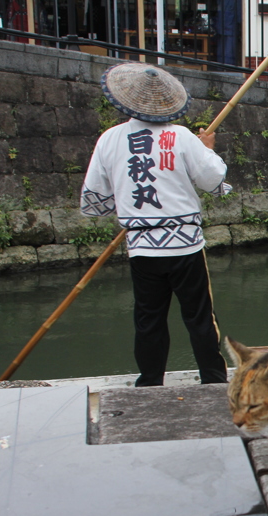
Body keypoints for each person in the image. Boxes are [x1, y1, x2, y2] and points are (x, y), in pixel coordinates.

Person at [80, 63, 231, 387]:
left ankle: (150, 381)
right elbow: (213, 178)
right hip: (186, 247)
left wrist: (130, 206)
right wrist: (207, 150)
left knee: (149, 320)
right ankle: (214, 379)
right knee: (200, 318)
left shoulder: (110, 140)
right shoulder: (182, 137)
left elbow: (97, 201)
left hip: (143, 248)